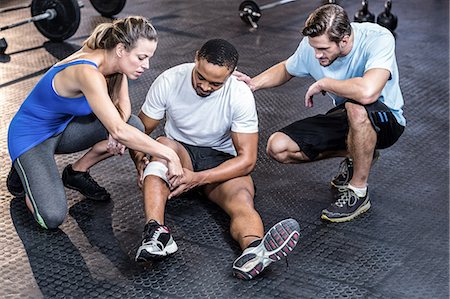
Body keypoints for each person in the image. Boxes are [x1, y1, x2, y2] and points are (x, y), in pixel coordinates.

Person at [131, 39, 300, 280]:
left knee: (242, 200)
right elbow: (138, 133)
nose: (205, 86)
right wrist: (139, 161)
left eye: (215, 83)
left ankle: (254, 251)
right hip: (179, 156)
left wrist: (199, 178)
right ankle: (156, 233)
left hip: (220, 161)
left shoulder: (239, 94)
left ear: (230, 75)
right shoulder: (169, 80)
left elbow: (248, 160)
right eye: (201, 77)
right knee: (161, 146)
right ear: (196, 57)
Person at [6, 16, 183, 230]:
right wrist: (169, 154)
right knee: (51, 217)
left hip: (62, 130)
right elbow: (119, 129)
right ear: (121, 50)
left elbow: (122, 106)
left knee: (133, 125)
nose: (146, 65)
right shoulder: (86, 71)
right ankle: (24, 171)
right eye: (142, 57)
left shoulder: (116, 64)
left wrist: (114, 126)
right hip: (30, 139)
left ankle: (75, 172)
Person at [234, 4, 405, 222]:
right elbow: (288, 68)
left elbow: (368, 92)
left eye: (323, 49)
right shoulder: (314, 45)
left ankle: (358, 192)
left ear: (344, 40)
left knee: (357, 108)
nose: (316, 55)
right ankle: (362, 153)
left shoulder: (377, 38)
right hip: (347, 115)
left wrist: (326, 83)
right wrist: (253, 84)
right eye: (314, 48)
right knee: (278, 147)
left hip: (387, 120)